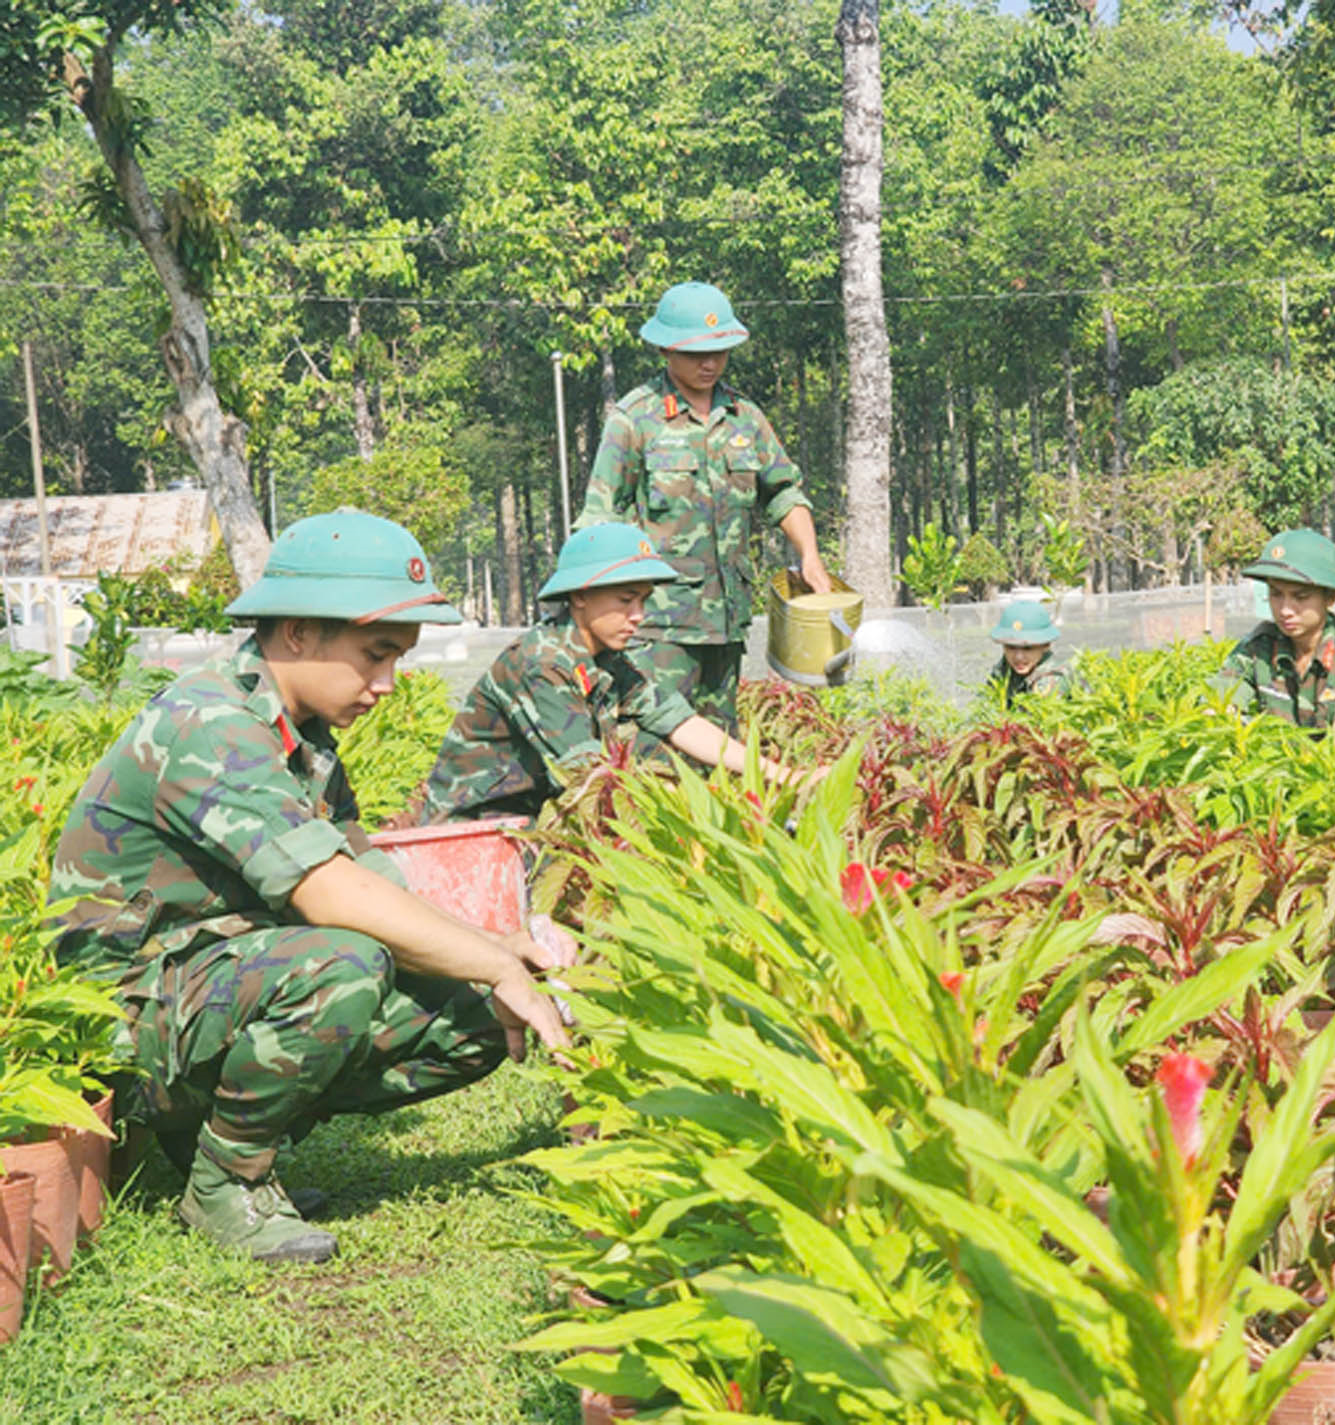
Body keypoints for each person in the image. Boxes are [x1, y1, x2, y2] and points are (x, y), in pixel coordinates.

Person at [48, 511, 573, 1265]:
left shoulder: (306, 742)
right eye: (376, 654)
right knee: (341, 965)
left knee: (475, 1015)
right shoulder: (213, 724)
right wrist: (492, 962)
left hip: (203, 986)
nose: (388, 683)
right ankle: (223, 1182)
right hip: (121, 1026)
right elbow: (330, 898)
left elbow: (377, 885)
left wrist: (501, 954)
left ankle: (225, 1139)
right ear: (296, 632)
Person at [419, 524, 815, 824]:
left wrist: (787, 776)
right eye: (625, 601)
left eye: (642, 601)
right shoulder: (542, 665)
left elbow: (681, 723)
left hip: (527, 816)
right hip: (471, 827)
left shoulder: (607, 659)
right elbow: (590, 779)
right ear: (579, 596)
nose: (638, 616)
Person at [576, 281, 832, 734]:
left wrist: (809, 555)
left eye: (720, 351)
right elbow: (599, 521)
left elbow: (784, 492)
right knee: (654, 751)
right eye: (696, 354)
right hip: (657, 628)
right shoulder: (635, 420)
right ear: (665, 350)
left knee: (720, 750)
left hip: (727, 624)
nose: (710, 363)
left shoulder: (745, 418)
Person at [1210, 529, 1335, 760]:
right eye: (1276, 594)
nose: (1285, 609)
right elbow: (1218, 705)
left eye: (1301, 597)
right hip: (1288, 764)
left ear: (1330, 597)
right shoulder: (1259, 646)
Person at [987, 598, 1075, 708]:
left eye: (1028, 648)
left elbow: (1037, 720)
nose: (1018, 657)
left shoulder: (1053, 676)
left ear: (1046, 645)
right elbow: (984, 704)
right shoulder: (1004, 668)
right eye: (1011, 647)